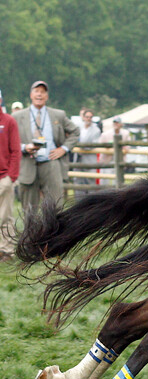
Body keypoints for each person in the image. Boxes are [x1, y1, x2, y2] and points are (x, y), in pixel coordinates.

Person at [12, 81, 79, 214]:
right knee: (29, 210)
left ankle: (56, 234)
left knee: (56, 206)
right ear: (31, 95)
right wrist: (25, 147)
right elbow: (9, 141)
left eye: (43, 92)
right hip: (28, 163)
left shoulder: (58, 115)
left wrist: (64, 148)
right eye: (37, 91)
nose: (39, 94)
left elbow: (75, 131)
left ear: (47, 96)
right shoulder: (17, 116)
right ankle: (30, 235)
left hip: (51, 162)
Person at [0, 89, 21, 261]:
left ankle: (6, 251)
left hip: (3, 178)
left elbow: (15, 150)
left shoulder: (8, 121)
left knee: (5, 216)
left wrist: (11, 177)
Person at [75, 108, 102, 194]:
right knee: (78, 180)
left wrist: (81, 147)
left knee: (91, 181)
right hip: (78, 158)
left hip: (89, 159)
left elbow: (93, 144)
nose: (88, 119)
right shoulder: (78, 128)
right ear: (83, 117)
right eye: (87, 117)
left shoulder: (96, 130)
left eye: (90, 117)